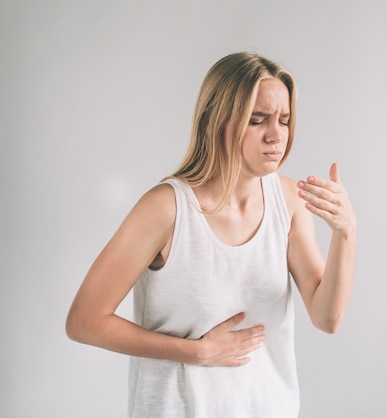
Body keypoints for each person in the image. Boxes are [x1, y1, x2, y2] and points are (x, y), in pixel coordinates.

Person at [65, 51, 357, 417]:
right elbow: (84, 322)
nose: (275, 135)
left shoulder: (288, 201)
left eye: (284, 120)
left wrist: (345, 234)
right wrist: (198, 352)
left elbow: (326, 318)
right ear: (216, 121)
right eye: (257, 120)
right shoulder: (165, 209)